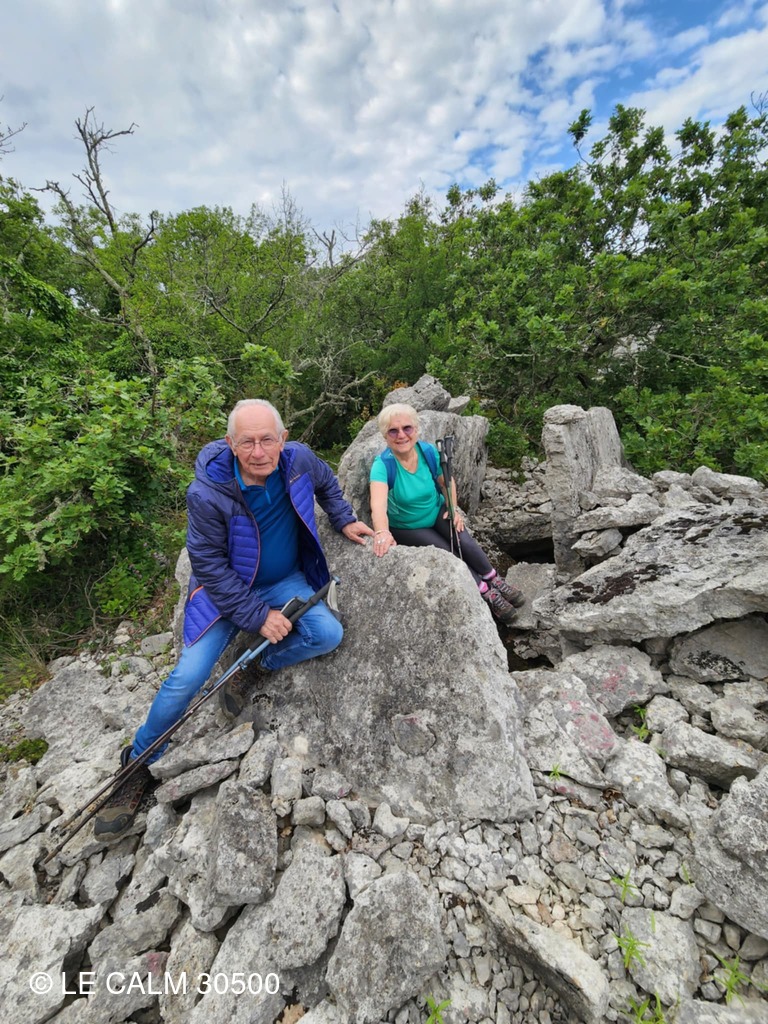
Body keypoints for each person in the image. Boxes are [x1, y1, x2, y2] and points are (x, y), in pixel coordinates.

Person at [95, 398, 373, 838]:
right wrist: (258, 617)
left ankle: (256, 664)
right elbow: (207, 564)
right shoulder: (207, 492)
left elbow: (325, 482)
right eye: (247, 442)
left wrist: (343, 518)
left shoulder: (298, 460)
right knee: (187, 677)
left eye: (267, 440)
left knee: (327, 634)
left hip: (286, 581)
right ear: (230, 443)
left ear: (283, 439)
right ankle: (139, 764)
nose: (258, 452)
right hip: (226, 592)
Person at [369, 403, 525, 625]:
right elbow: (378, 504)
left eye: (407, 428)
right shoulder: (383, 466)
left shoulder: (427, 452)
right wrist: (382, 532)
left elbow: (447, 482)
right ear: (385, 436)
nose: (401, 435)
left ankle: (494, 579)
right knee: (447, 552)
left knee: (464, 541)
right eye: (393, 431)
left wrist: (453, 509)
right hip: (408, 525)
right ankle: (485, 592)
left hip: (436, 510)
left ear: (416, 429)